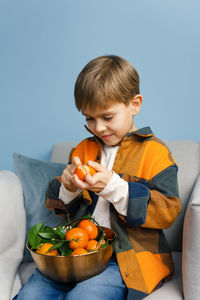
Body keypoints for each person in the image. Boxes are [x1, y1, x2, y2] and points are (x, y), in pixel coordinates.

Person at [13, 55, 181, 300]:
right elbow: (60, 209)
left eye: (107, 117)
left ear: (135, 105)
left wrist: (113, 187)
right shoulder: (82, 149)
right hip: (77, 249)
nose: (98, 128)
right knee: (31, 296)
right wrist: (68, 187)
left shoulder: (155, 153)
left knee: (85, 296)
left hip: (124, 258)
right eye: (89, 118)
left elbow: (168, 210)